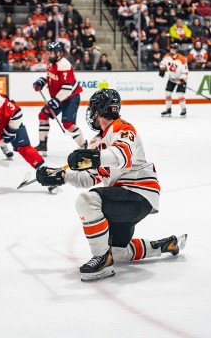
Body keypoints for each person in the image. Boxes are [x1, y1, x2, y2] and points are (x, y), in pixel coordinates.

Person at [35, 89, 187, 282]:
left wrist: (94, 158)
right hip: (122, 199)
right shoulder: (96, 141)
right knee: (119, 253)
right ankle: (164, 245)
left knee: (87, 201)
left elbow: (122, 156)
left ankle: (102, 259)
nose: (91, 114)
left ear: (98, 111)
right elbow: (90, 178)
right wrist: (62, 176)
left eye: (92, 109)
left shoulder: (122, 127)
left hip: (138, 194)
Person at [32, 41, 87, 156]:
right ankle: (43, 144)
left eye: (51, 53)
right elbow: (50, 76)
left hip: (71, 98)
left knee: (68, 124)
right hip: (59, 98)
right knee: (43, 115)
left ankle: (84, 146)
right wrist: (41, 81)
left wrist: (55, 101)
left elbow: (67, 89)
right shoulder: (51, 62)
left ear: (59, 53)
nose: (48, 55)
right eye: (48, 52)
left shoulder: (64, 65)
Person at [159, 43, 189, 117]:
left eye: (173, 49)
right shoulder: (166, 57)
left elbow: (185, 72)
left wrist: (182, 79)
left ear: (177, 50)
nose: (171, 50)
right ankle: (168, 110)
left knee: (180, 94)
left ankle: (183, 109)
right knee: (167, 93)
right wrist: (162, 69)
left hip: (180, 80)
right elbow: (162, 63)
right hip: (171, 79)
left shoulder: (182, 59)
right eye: (171, 49)